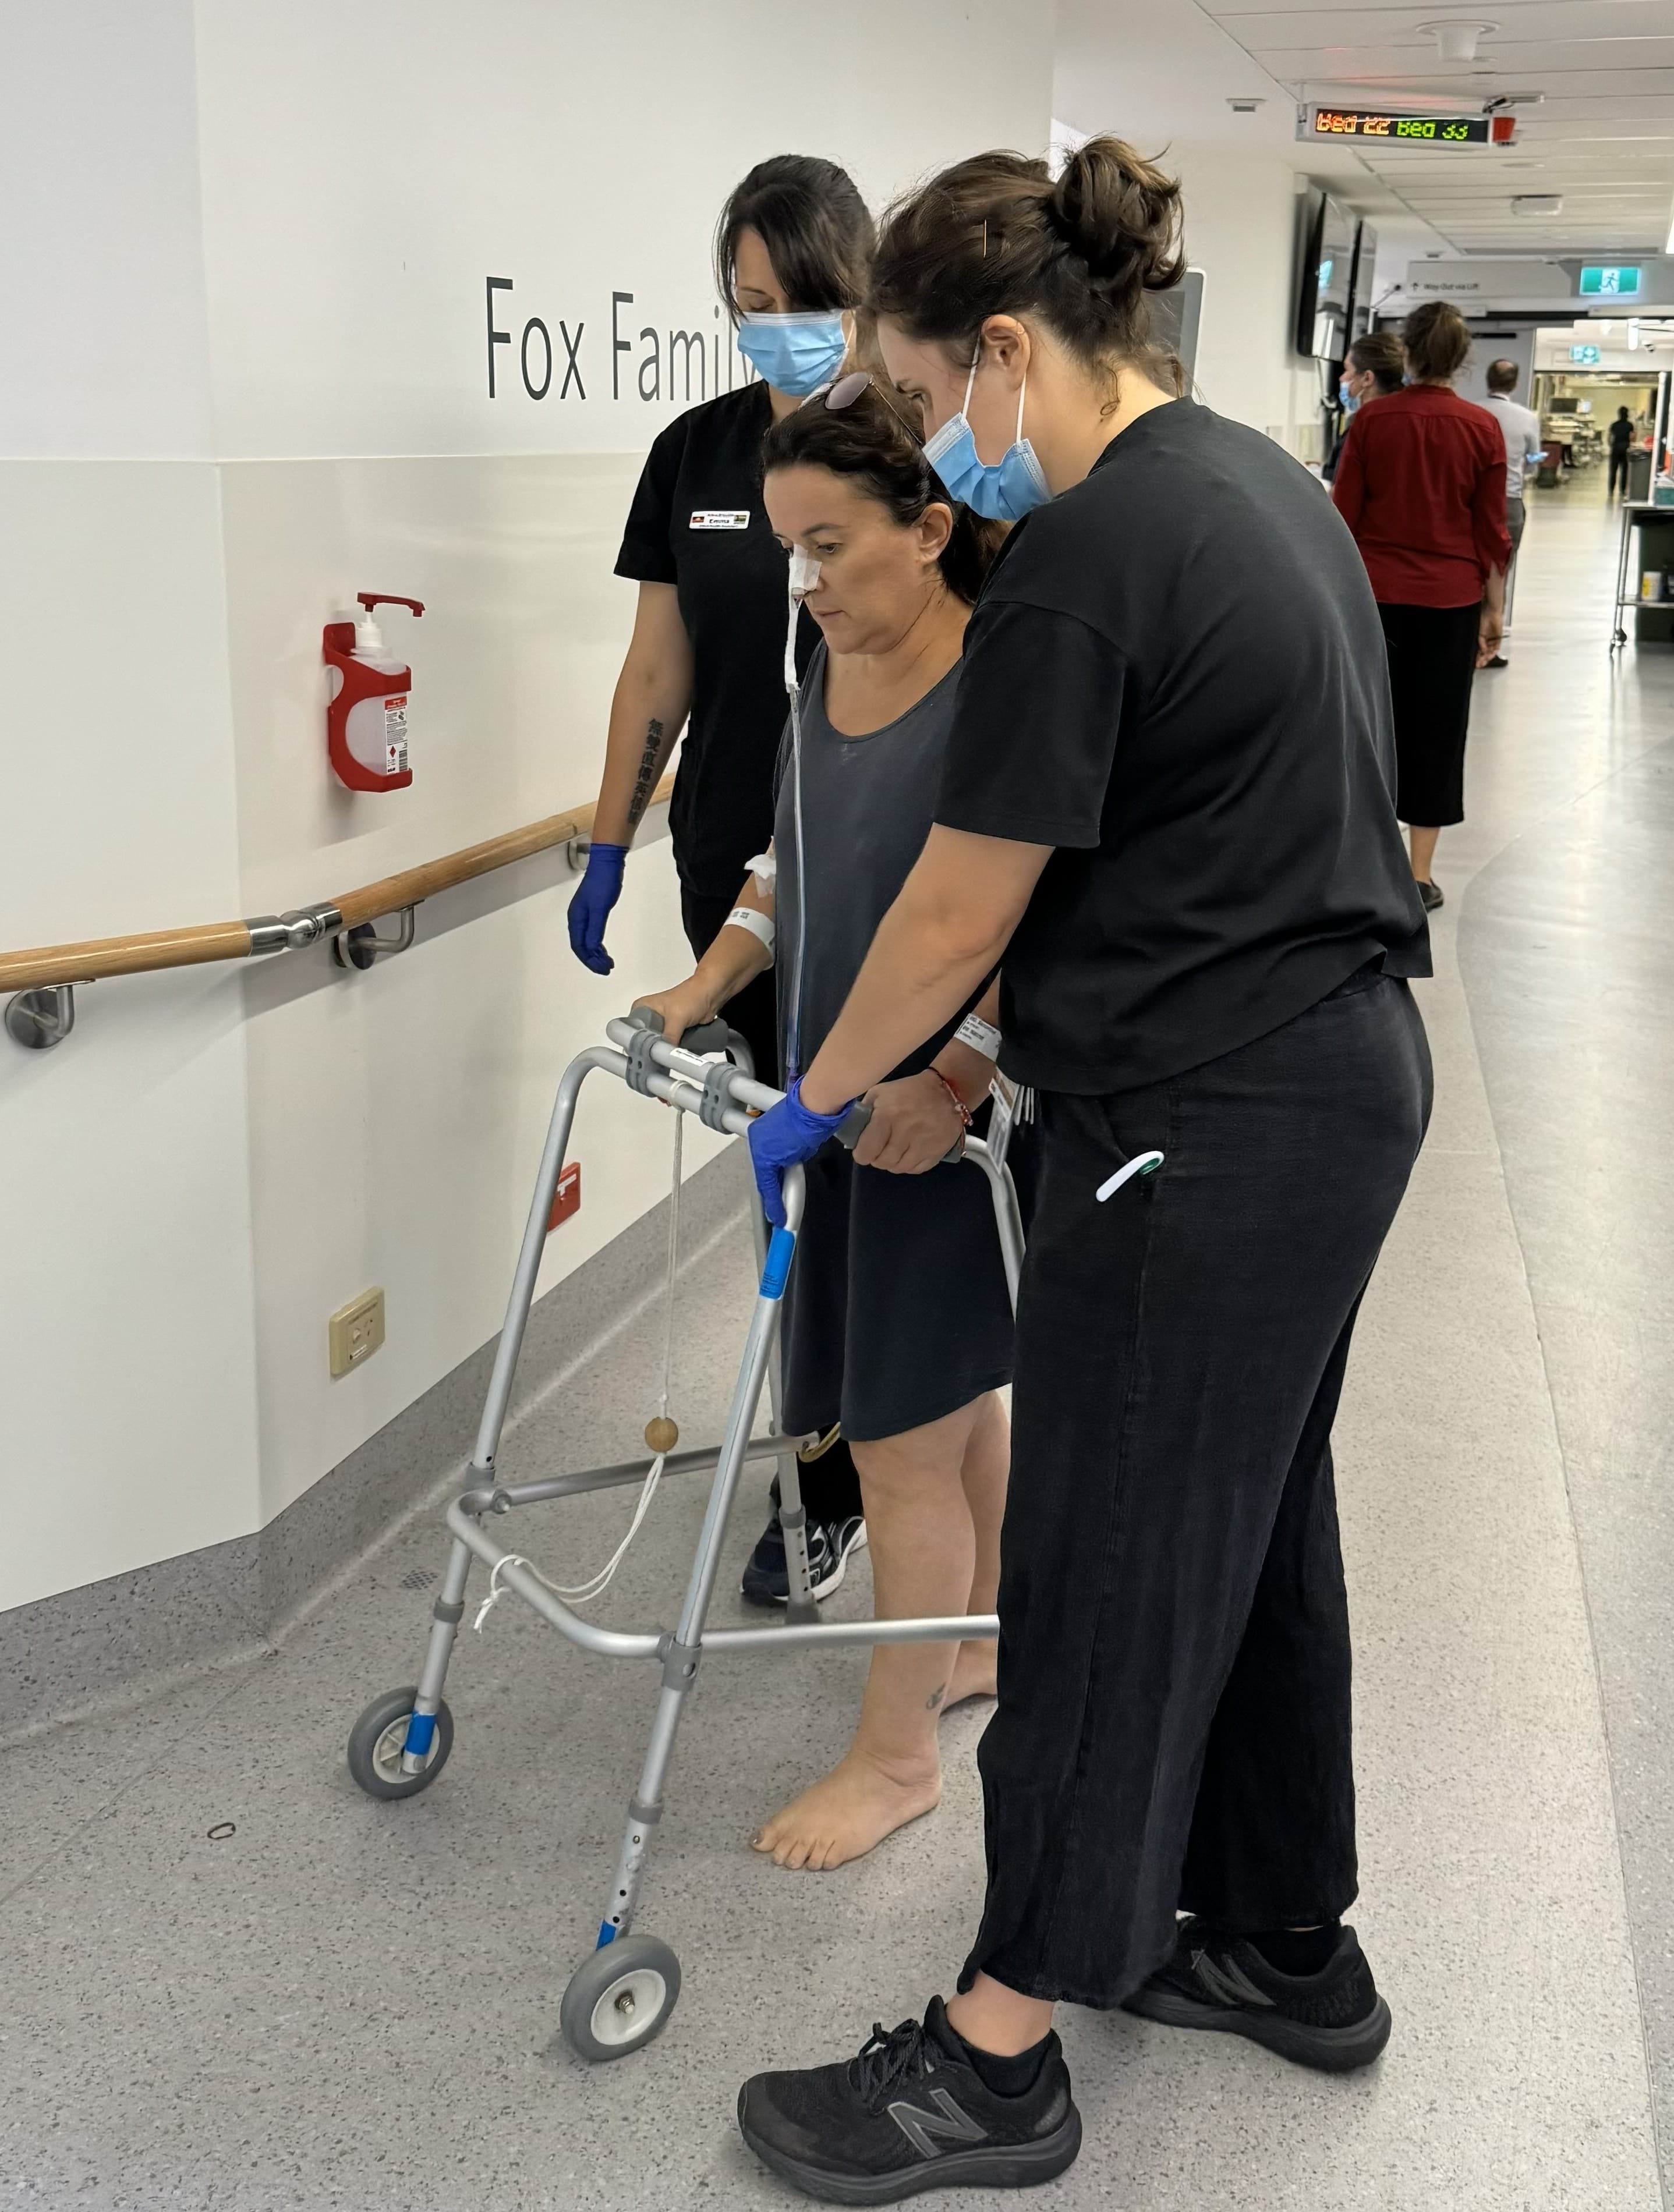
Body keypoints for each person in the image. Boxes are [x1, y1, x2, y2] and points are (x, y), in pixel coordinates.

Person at [732, 137, 1432, 2203]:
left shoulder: (1078, 559)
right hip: (1337, 1084)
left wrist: (810, 1097)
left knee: (1112, 1548)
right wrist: (967, 1063)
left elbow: (960, 902)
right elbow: (1191, 847)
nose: (933, 442)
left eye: (924, 387)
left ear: (1008, 354)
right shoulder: (1252, 486)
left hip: (1203, 1135)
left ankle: (997, 2042)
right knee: (1252, 1511)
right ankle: (1289, 1941)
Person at [632, 375, 1013, 1870]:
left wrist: (953, 1077)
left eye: (833, 546)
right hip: (826, 1107)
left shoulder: (992, 691)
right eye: (790, 550)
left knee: (904, 1447)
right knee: (954, 1407)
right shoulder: (818, 682)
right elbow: (783, 873)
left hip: (925, 1125)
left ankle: (897, 1756)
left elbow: (1028, 925)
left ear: (927, 530)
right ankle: (975, 1639)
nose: (808, 582)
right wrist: (704, 980)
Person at [568, 155, 875, 1604]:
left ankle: (911, 1450)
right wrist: (603, 837)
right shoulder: (694, 455)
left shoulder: (910, 454)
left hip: (875, 884)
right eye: (748, 305)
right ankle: (817, 1474)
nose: (774, 330)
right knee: (780, 1184)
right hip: (725, 888)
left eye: (801, 302)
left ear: (858, 294)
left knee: (882, 1174)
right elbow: (658, 666)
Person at [1331, 300, 1512, 912]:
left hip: (1375, 599)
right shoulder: (1480, 428)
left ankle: (1361, 859)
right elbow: (1490, 530)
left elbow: (1341, 521)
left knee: (1368, 725)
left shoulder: (1371, 424)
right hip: (1451, 601)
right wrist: (1494, 612)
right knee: (1436, 731)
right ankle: (1419, 873)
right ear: (1462, 361)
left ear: (1405, 353)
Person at [1480, 358, 1545, 668]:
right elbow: (1533, 460)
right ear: (1515, 384)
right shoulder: (1527, 417)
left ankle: (1465, 639)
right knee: (1499, 573)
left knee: (1470, 570)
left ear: (1487, 381)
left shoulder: (1474, 412)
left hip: (1472, 501)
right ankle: (1490, 643)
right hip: (1509, 501)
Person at [1323, 331, 1404, 484]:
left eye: (1347, 370)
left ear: (1367, 378)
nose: (1342, 378)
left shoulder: (1364, 429)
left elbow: (1343, 490)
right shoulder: (1405, 425)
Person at [1608, 404, 1634, 498]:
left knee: (1613, 471)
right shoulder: (1630, 425)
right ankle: (1622, 491)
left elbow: (1609, 438)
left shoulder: (1614, 425)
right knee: (1624, 471)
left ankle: (1611, 491)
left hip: (1616, 449)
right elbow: (1632, 438)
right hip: (1625, 449)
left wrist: (1612, 446)